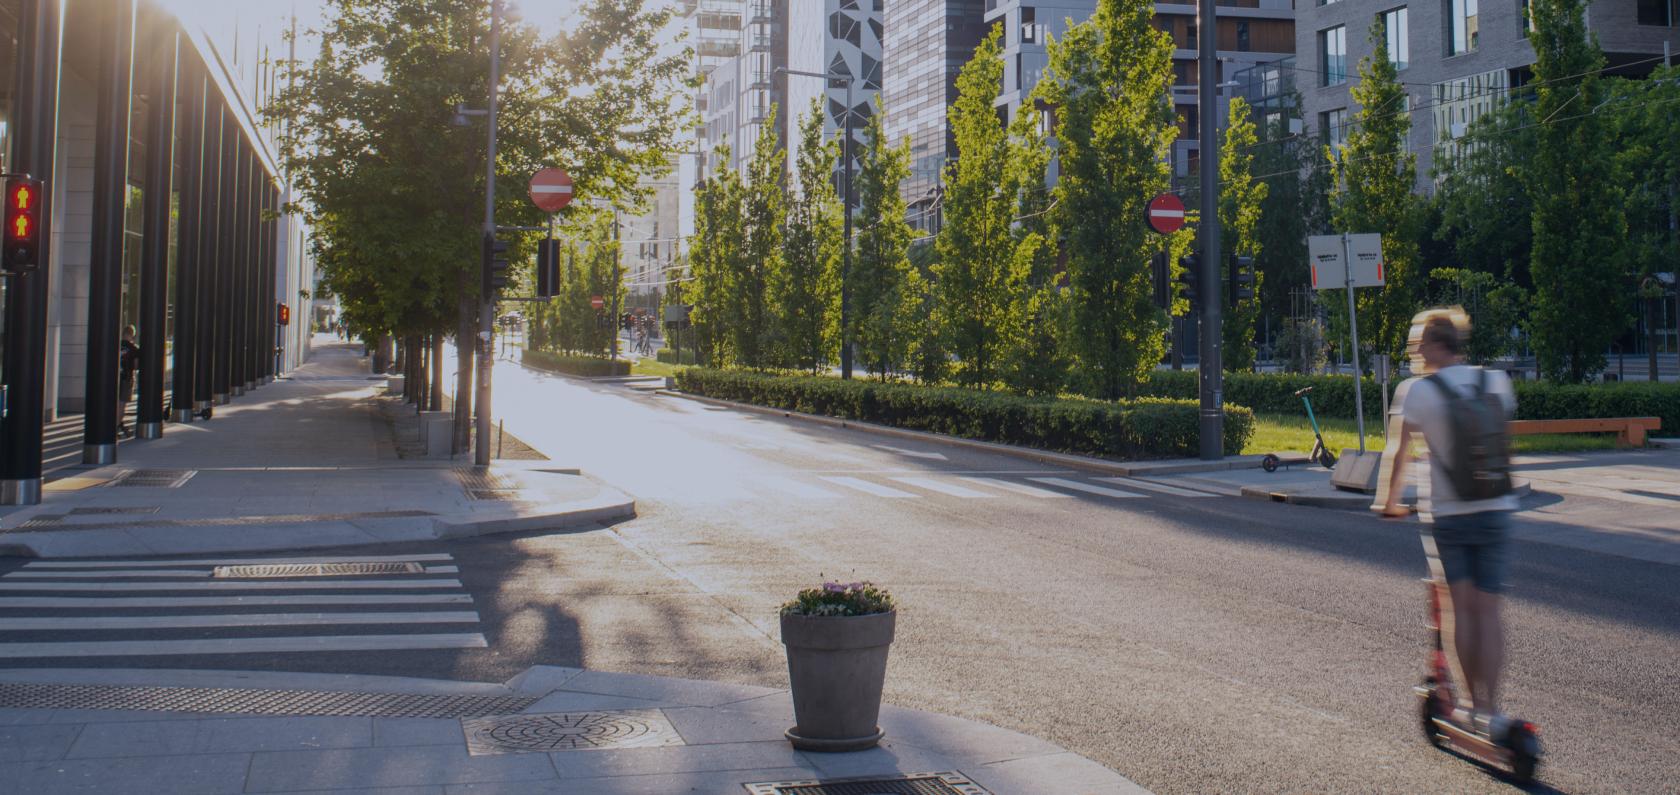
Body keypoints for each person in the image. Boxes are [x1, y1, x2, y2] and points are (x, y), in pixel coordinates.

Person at [1375, 307, 1519, 739]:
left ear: (1435, 345)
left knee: (1459, 611)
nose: (1416, 351)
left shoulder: (1416, 391)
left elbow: (1397, 453)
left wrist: (1390, 502)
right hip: (1497, 507)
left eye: (1419, 343)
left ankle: (1470, 707)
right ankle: (1489, 710)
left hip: (1451, 514)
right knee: (1489, 612)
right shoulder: (1495, 381)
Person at [117, 324, 140, 438]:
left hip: (115, 378)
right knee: (122, 404)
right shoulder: (134, 349)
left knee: (115, 403)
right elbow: (136, 366)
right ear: (132, 335)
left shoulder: (116, 345)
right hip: (127, 378)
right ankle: (116, 426)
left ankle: (118, 424)